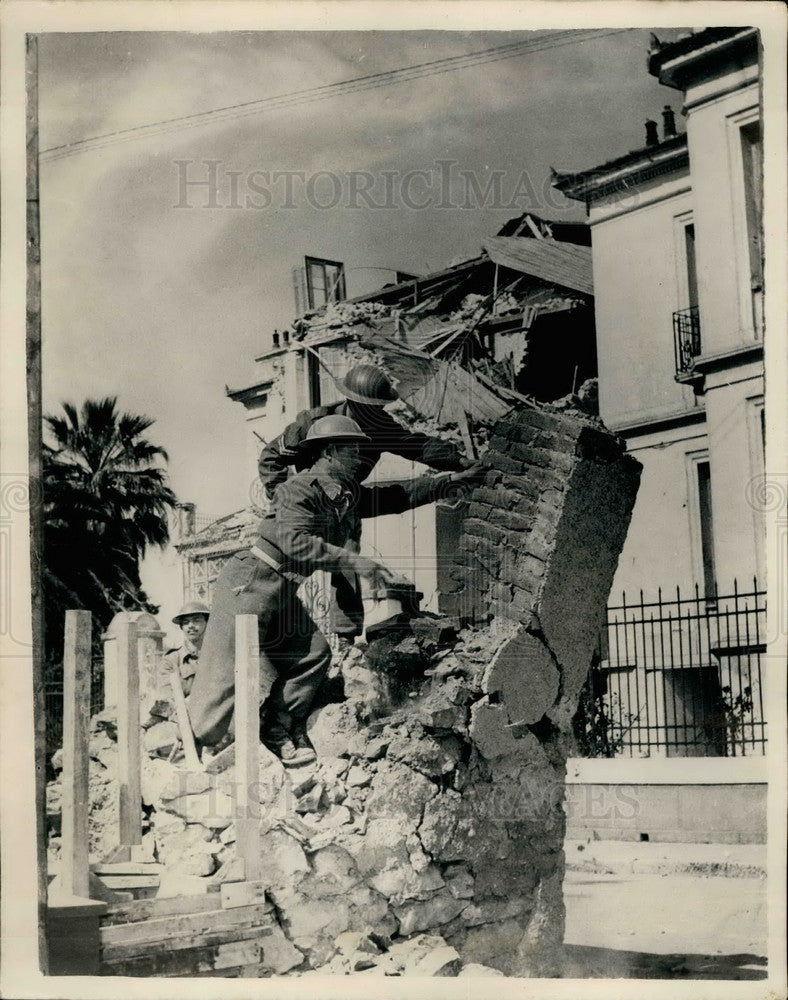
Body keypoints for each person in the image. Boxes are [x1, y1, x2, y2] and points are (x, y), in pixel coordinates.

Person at [187, 415, 483, 766]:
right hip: (250, 581)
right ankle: (190, 742)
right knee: (224, 673)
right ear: (329, 451)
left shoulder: (345, 494)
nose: (361, 457)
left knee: (313, 654)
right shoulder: (297, 489)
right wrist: (350, 561)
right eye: (353, 449)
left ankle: (276, 729)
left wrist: (448, 482)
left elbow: (397, 495)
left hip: (282, 589)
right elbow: (292, 541)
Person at [257, 363, 468, 637]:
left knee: (348, 556)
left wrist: (459, 461)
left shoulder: (380, 426)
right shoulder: (315, 421)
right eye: (367, 407)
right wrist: (282, 497)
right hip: (308, 498)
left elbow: (418, 446)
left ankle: (346, 635)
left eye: (378, 408)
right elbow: (271, 457)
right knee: (290, 559)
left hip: (345, 499)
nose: (373, 414)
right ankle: (274, 622)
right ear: (350, 401)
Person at [164, 600, 210, 697]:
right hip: (183, 711)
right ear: (181, 627)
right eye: (186, 622)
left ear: (207, 623)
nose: (191, 626)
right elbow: (167, 697)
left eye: (196, 620)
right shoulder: (171, 660)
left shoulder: (218, 656)